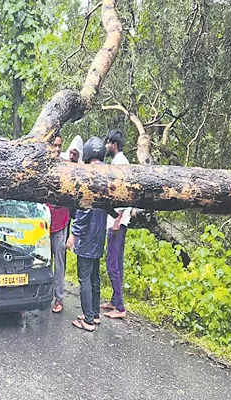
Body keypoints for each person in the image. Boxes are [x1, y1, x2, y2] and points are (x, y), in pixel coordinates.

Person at [68, 136, 108, 332]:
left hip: (87, 235)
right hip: (100, 234)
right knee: (94, 276)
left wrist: (74, 235)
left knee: (84, 277)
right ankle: (95, 314)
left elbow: (83, 210)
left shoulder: (89, 176)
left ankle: (88, 321)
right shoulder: (109, 175)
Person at [48, 135, 82, 313]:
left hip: (61, 221)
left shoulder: (66, 167)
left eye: (59, 145)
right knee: (42, 262)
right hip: (43, 221)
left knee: (59, 263)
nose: (57, 149)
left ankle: (58, 298)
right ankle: (40, 295)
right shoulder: (42, 165)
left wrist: (73, 231)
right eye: (54, 145)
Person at [103, 129, 131, 319]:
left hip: (117, 221)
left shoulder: (120, 163)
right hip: (119, 219)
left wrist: (118, 218)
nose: (105, 146)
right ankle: (114, 300)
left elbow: (122, 192)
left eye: (107, 143)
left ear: (114, 144)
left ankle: (120, 307)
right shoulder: (120, 162)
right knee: (117, 262)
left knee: (112, 262)